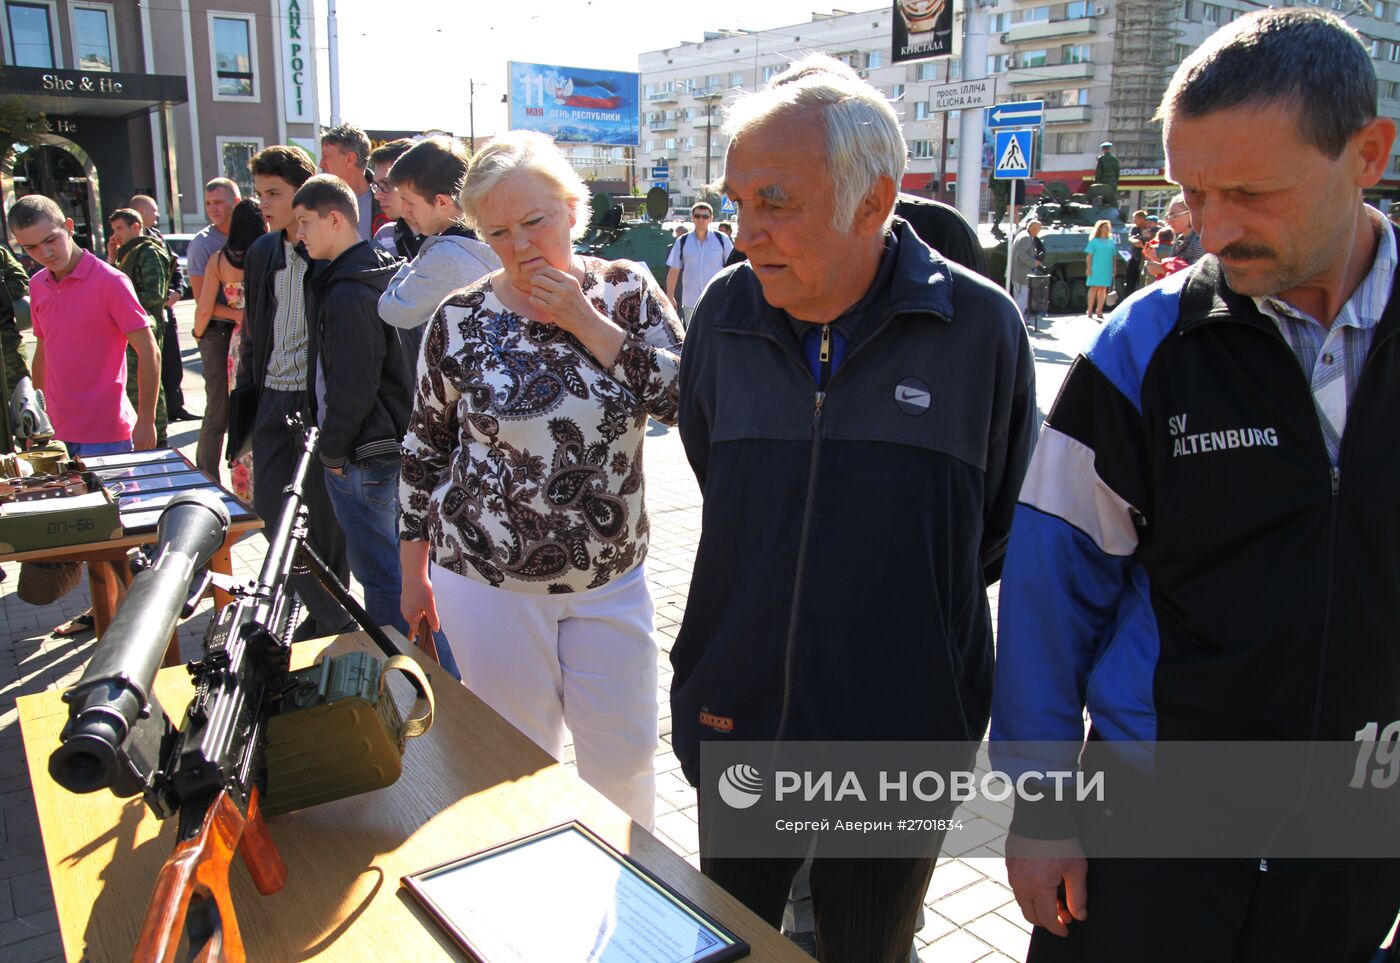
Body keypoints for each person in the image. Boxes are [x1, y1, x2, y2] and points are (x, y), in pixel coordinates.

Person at [993, 9, 1400, 962]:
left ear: (1368, 152)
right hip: (1146, 838)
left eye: (1251, 192)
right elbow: (1051, 596)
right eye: (1193, 193)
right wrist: (1041, 807)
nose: (1213, 231)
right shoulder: (1140, 347)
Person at [671, 55, 1034, 962]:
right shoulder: (722, 314)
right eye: (737, 200)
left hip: (899, 737)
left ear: (873, 202)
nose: (745, 232)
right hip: (739, 720)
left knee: (870, 946)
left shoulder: (981, 330)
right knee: (739, 940)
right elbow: (716, 468)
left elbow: (993, 532)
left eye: (775, 202)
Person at [398, 130, 683, 829]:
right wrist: (413, 574)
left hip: (611, 578)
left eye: (535, 221)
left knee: (626, 759)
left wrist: (583, 321)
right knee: (516, 768)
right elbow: (424, 447)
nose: (521, 245)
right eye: (498, 231)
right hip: (487, 580)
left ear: (572, 209)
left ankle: (636, 917)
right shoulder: (460, 317)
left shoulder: (625, 291)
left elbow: (684, 398)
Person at [292, 175, 422, 652]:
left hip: (364, 453)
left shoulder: (348, 289)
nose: (299, 234)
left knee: (382, 577)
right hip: (392, 442)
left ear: (335, 218)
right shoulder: (383, 269)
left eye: (305, 222)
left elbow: (352, 385)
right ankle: (437, 677)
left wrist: (332, 450)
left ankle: (411, 680)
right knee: (403, 575)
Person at [236, 144, 355, 641]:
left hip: (316, 404)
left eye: (274, 193)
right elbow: (252, 333)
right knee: (269, 511)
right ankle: (331, 615)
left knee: (326, 522)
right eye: (259, 193)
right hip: (270, 398)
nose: (263, 202)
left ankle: (331, 621)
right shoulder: (263, 251)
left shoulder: (328, 249)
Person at [9, 195, 159, 456]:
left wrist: (147, 420)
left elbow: (149, 351)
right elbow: (43, 353)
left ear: (68, 227)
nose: (44, 253)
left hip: (108, 433)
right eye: (31, 247)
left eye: (50, 239)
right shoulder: (36, 285)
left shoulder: (111, 281)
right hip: (55, 432)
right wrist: (37, 419)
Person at [377, 136, 500, 364]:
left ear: (442, 202)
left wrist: (417, 260)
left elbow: (392, 309)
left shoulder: (446, 256)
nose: (405, 211)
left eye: (410, 202)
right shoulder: (495, 234)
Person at [193, 198, 266, 503]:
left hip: (240, 343)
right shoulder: (269, 254)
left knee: (241, 411)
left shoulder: (219, 260)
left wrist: (199, 333)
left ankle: (244, 488)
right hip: (273, 338)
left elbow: (204, 309)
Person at [189, 178, 241, 478]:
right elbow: (202, 304)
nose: (213, 209)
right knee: (218, 412)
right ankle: (206, 480)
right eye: (208, 204)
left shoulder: (250, 233)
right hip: (217, 332)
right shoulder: (203, 244)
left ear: (235, 202)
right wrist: (241, 315)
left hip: (242, 333)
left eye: (218, 202)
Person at [130, 193, 197, 422]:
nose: (158, 214)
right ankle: (159, 415)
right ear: (141, 211)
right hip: (146, 316)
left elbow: (174, 266)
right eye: (154, 210)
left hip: (167, 310)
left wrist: (178, 290)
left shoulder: (157, 237)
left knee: (172, 362)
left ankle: (176, 407)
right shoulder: (128, 244)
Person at [108, 208, 171, 446]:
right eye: (114, 230)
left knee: (148, 384)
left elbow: (155, 295)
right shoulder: (128, 253)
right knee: (132, 385)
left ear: (136, 226)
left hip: (145, 325)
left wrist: (122, 307)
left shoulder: (148, 252)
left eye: (120, 229)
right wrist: (112, 258)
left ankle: (159, 436)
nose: (116, 235)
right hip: (130, 325)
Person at [665, 201, 732, 326]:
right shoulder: (682, 241)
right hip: (691, 302)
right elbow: (674, 270)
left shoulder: (722, 239)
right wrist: (670, 295)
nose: (701, 219)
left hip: (716, 300)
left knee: (715, 340)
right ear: (692, 217)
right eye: (697, 216)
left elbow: (734, 267)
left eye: (705, 216)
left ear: (711, 218)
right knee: (693, 341)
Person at [319, 122, 383, 241]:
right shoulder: (320, 203)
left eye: (326, 156)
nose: (321, 163)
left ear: (350, 159)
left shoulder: (386, 199)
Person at [368, 138, 424, 260]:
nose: (377, 195)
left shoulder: (451, 234)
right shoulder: (385, 235)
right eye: (376, 185)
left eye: (385, 184)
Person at [1011, 218, 1046, 316]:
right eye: (1038, 229)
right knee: (1022, 298)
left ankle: (1017, 318)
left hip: (1017, 273)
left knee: (1018, 297)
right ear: (1033, 228)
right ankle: (1018, 318)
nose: (1038, 232)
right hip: (1022, 274)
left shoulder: (1022, 235)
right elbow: (1021, 254)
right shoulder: (1026, 237)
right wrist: (1034, 262)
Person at [1083, 219, 1117, 320]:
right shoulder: (1094, 241)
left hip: (1107, 267)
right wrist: (1088, 268)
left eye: (1108, 227)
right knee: (1094, 287)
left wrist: (1114, 268)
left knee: (1103, 288)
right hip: (1096, 267)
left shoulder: (1111, 242)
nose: (1107, 229)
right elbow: (1089, 256)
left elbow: (1114, 256)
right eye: (1105, 227)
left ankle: (1099, 310)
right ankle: (1089, 309)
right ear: (1100, 228)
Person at [1163, 192, 1205, 265]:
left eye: (1174, 216)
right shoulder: (1179, 240)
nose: (1169, 221)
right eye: (1168, 216)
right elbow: (1171, 267)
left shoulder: (1200, 242)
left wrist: (1162, 269)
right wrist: (1154, 258)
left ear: (1190, 214)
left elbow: (1197, 273)